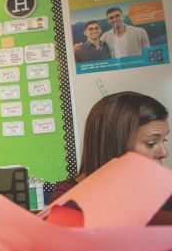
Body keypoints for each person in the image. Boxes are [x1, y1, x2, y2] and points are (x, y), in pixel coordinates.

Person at [49, 91, 169, 222]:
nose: (164, 153)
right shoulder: (68, 202)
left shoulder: (159, 193)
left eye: (165, 140)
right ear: (115, 144)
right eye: (151, 143)